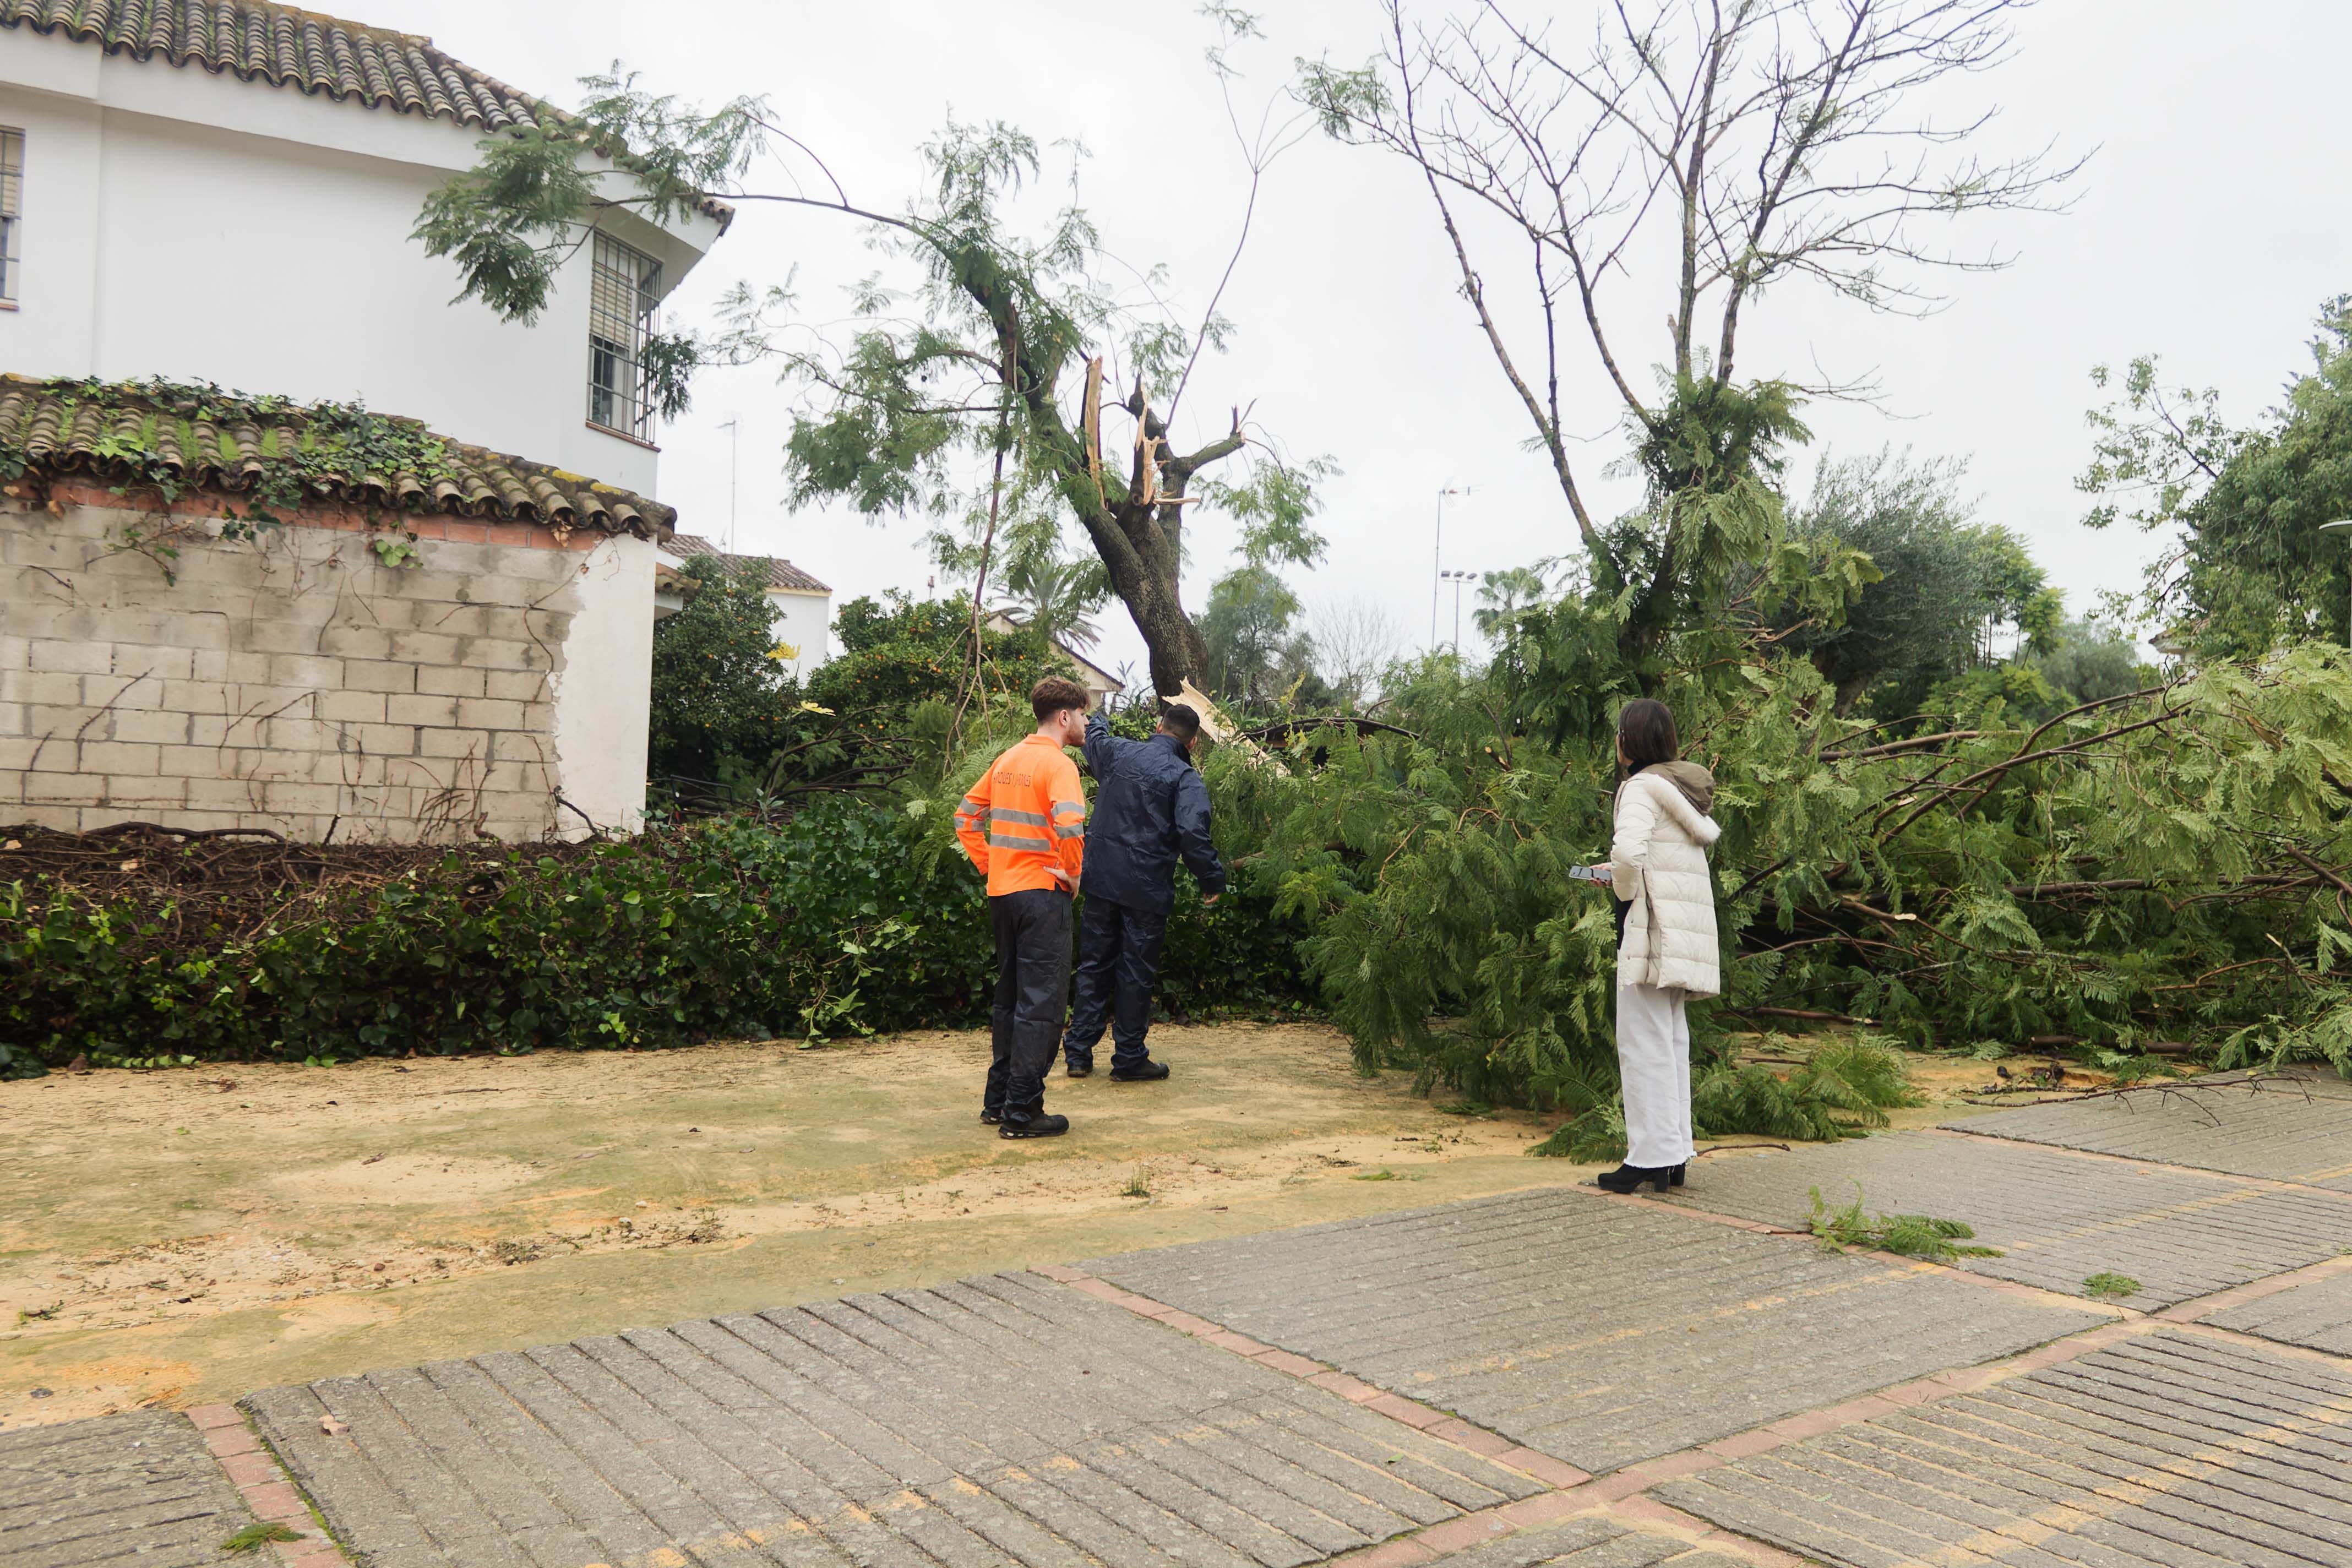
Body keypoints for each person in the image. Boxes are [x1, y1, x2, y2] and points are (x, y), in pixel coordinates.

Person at [1592, 698, 1722, 1194]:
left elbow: (1628, 853)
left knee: (1642, 1046)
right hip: (1680, 939)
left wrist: (1621, 887)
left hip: (1650, 934)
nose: (1617, 741)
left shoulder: (1640, 789)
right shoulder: (1678, 791)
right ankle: (1674, 1154)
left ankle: (1646, 1159)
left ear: (1631, 741)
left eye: (1620, 733)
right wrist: (1629, 876)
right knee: (1670, 1045)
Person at [955, 677, 1092, 1139]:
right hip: (1042, 897)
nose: (1087, 723)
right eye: (1084, 714)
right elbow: (1071, 828)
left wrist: (992, 865)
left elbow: (965, 817)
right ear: (1065, 716)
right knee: (1042, 1003)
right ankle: (1022, 1112)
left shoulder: (1008, 759)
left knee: (1010, 998)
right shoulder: (1059, 765)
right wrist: (1072, 876)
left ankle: (998, 1102)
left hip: (1004, 894)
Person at [1060, 701, 1226, 1081]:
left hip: (1101, 879)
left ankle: (1079, 1054)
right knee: (1135, 973)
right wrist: (1211, 879)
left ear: (1158, 726)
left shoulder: (1119, 752)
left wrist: (1095, 715)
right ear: (1194, 743)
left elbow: (1094, 738)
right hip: (1146, 889)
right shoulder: (1186, 778)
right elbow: (1193, 834)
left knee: (1094, 964)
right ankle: (1129, 1058)